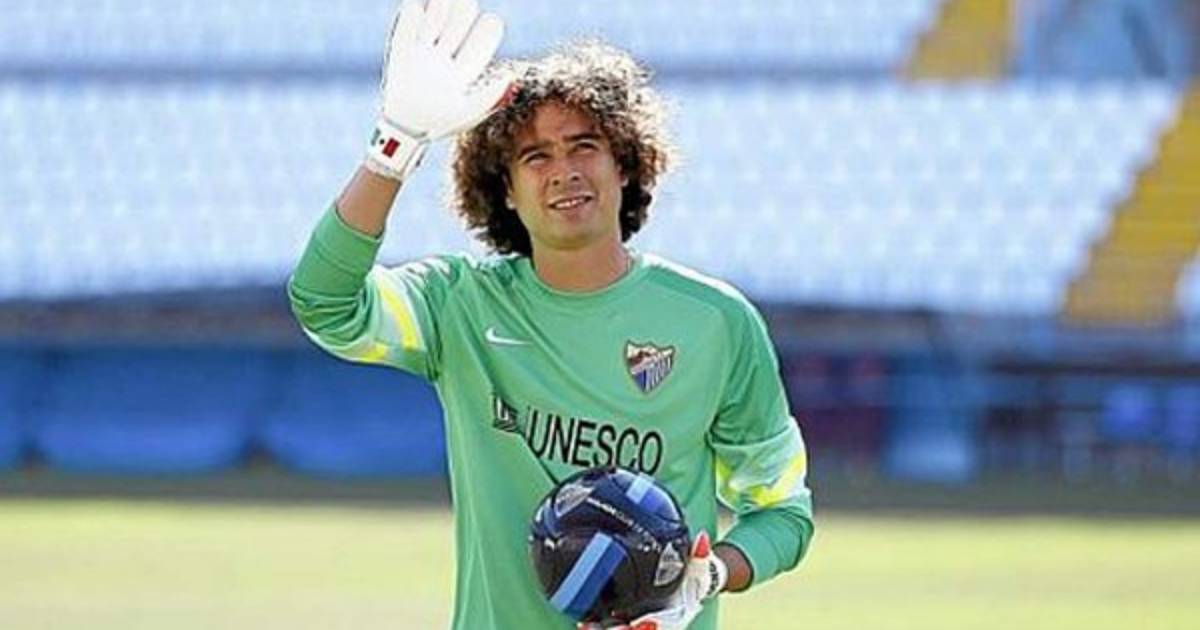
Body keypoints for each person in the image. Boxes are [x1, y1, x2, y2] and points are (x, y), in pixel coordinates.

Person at [287, 0, 814, 627]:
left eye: (583, 146)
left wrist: (710, 574)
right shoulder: (458, 304)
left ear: (625, 163)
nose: (563, 172)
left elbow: (783, 511)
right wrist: (393, 146)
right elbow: (325, 304)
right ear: (505, 190)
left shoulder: (717, 322)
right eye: (535, 156)